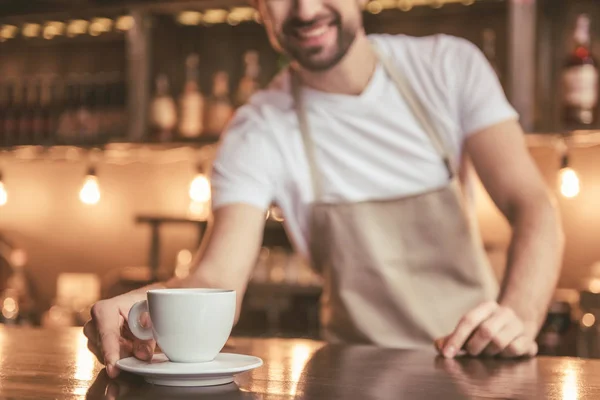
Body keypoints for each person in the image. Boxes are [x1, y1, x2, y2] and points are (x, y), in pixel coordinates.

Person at [84, 0, 564, 378]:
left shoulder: (449, 67)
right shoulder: (258, 128)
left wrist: (517, 318)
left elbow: (534, 208)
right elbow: (216, 279)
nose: (307, 9)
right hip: (353, 378)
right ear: (258, 8)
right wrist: (145, 305)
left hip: (474, 366)